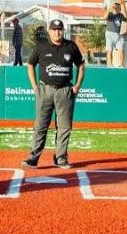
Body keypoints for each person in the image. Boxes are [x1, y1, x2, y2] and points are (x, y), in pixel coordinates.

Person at [22, 19, 86, 169]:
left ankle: (61, 158)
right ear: (49, 32)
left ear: (63, 31)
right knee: (40, 126)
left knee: (64, 127)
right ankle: (33, 158)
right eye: (54, 30)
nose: (57, 32)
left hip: (65, 90)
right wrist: (35, 87)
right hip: (45, 89)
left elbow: (81, 65)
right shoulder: (41, 46)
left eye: (60, 29)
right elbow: (30, 64)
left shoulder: (71, 46)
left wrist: (77, 85)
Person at [104, 3, 127, 67]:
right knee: (110, 50)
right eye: (114, 8)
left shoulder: (121, 15)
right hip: (110, 33)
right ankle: (110, 65)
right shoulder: (110, 14)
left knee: (121, 49)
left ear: (119, 9)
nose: (115, 9)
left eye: (117, 8)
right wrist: (109, 9)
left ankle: (120, 65)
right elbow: (104, 18)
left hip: (118, 34)